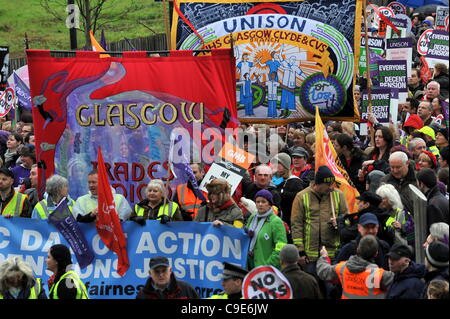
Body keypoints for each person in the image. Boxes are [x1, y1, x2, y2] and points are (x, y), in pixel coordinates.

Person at [291, 166, 348, 273]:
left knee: (330, 288)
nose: (331, 187)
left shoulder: (338, 195)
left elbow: (348, 220)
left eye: (332, 184)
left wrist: (340, 222)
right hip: (310, 255)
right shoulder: (301, 197)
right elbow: (296, 225)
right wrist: (300, 251)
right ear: (318, 184)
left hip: (332, 254)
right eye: (328, 184)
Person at [317, 235, 394, 299]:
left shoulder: (343, 268)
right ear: (376, 254)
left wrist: (324, 256)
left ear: (357, 250)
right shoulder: (379, 275)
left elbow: (323, 271)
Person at [245, 189, 287, 270]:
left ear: (269, 204)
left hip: (266, 268)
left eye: (263, 202)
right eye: (258, 202)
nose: (260, 204)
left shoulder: (276, 222)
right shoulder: (252, 217)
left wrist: (268, 265)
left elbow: (281, 248)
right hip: (250, 266)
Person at [271, 152, 304, 227]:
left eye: (278, 163)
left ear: (285, 165)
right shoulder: (272, 180)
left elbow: (298, 198)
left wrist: (281, 193)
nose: (275, 165)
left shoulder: (295, 181)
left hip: (289, 222)